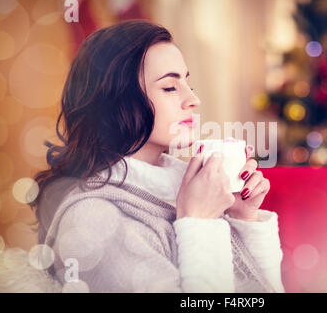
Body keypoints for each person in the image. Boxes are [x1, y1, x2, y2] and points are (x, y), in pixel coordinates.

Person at [29, 20, 285, 293]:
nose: (193, 100)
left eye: (188, 83)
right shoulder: (90, 219)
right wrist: (199, 221)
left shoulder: (182, 192)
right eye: (170, 87)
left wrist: (242, 218)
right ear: (116, 102)